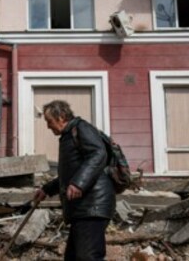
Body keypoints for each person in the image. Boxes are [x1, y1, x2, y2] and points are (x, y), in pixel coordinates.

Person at [33, 100, 115, 261]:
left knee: (88, 256)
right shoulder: (68, 135)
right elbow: (69, 177)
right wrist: (46, 189)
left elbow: (98, 154)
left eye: (49, 121)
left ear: (61, 117)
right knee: (73, 257)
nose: (48, 126)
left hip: (93, 205)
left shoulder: (81, 128)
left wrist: (79, 183)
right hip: (83, 207)